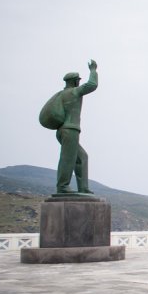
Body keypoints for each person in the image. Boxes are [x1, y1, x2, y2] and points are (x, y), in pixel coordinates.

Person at [55, 59, 98, 194]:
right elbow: (92, 84)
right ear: (75, 81)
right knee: (68, 159)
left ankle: (83, 187)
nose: (79, 82)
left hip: (64, 130)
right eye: (78, 80)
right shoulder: (73, 92)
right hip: (70, 130)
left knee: (81, 157)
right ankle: (62, 187)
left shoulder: (61, 94)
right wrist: (93, 70)